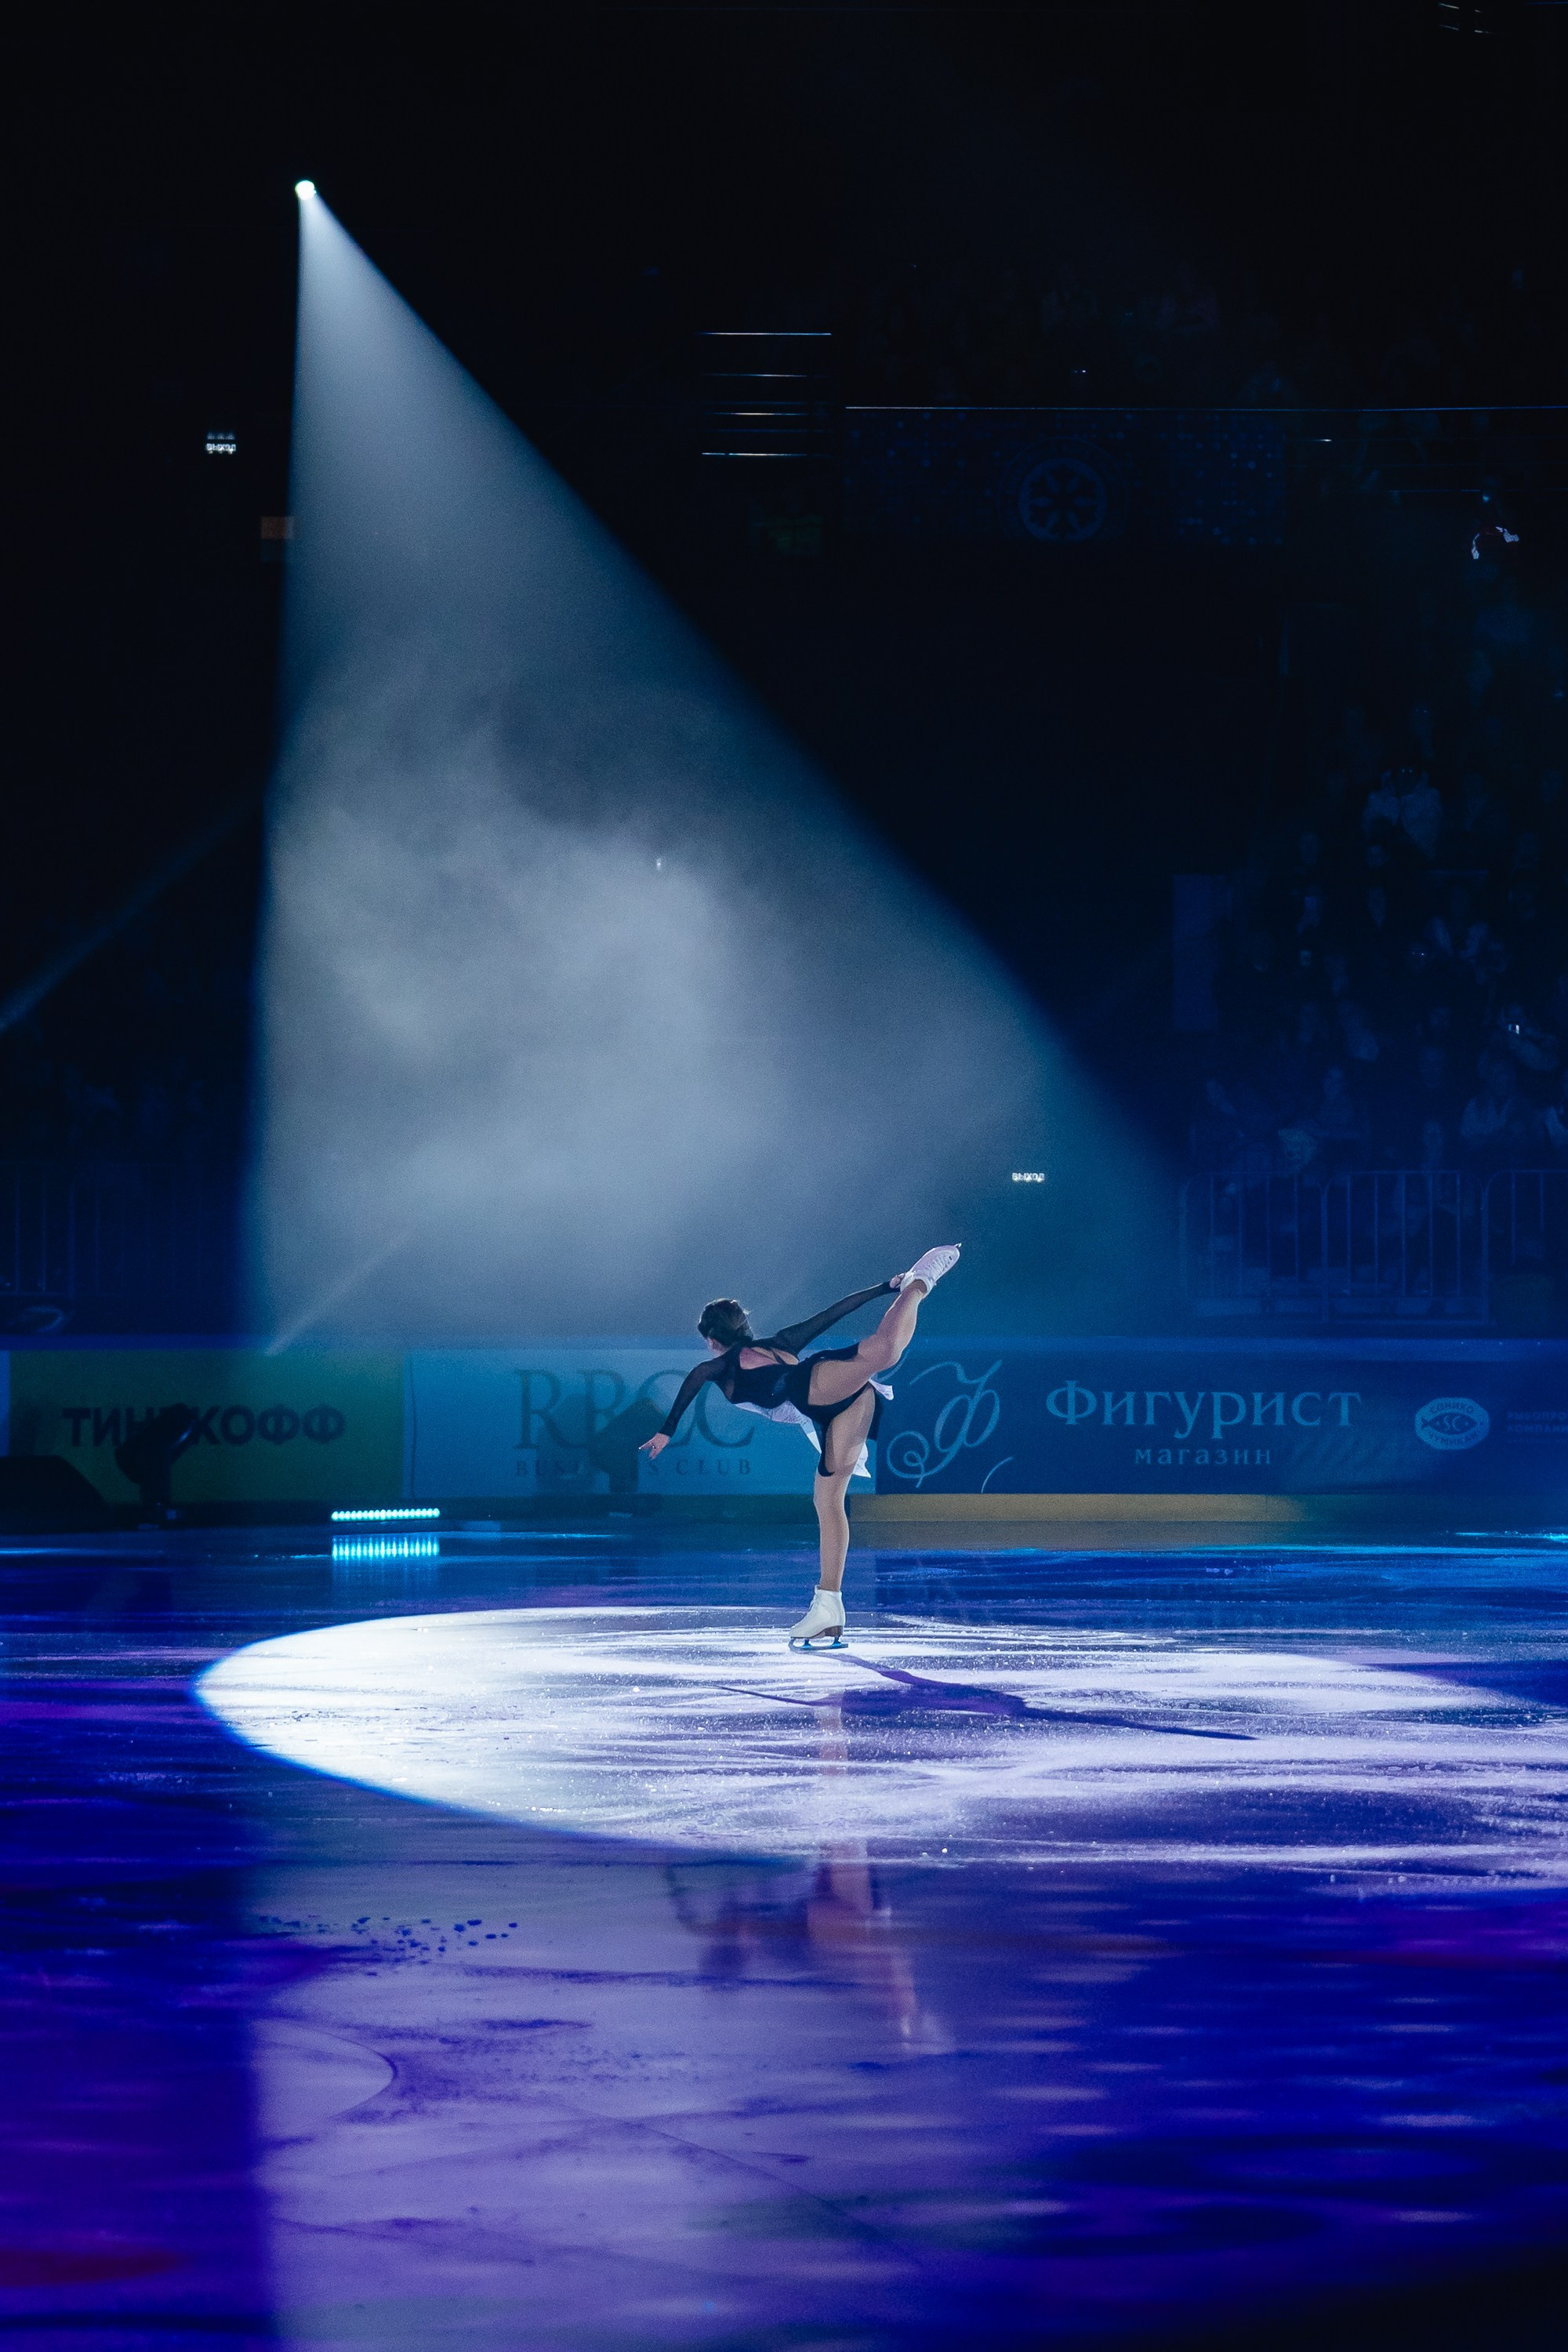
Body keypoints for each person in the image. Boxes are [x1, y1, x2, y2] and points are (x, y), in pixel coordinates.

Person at [641, 1247, 960, 1647]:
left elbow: (692, 1382)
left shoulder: (721, 1366)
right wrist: (882, 1286)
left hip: (816, 1386)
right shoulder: (777, 1343)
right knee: (828, 1501)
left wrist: (667, 1431)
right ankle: (829, 1606)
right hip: (840, 1408)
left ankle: (920, 1282)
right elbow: (831, 1313)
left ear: (711, 1339)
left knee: (884, 1351)